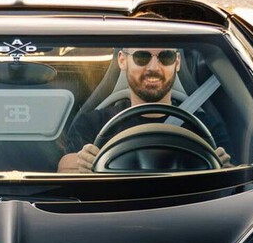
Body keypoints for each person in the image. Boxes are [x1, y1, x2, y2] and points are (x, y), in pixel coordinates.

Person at [58, 48, 231, 173]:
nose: (154, 67)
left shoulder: (206, 127)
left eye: (166, 56)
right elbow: (65, 172)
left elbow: (234, 186)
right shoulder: (92, 124)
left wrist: (223, 169)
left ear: (177, 62)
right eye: (141, 57)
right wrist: (82, 164)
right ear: (122, 60)